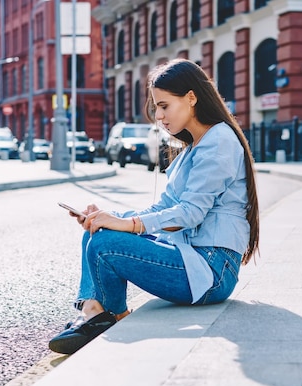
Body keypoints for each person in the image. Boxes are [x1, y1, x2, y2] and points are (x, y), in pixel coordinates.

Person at [48, 58, 260, 355]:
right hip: (191, 256)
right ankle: (94, 313)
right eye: (156, 107)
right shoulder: (194, 147)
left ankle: (108, 317)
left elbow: (189, 213)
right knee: (96, 231)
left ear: (191, 97)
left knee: (105, 245)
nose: (159, 116)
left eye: (164, 106)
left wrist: (126, 225)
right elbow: (165, 207)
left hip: (211, 271)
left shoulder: (219, 141)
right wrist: (111, 217)